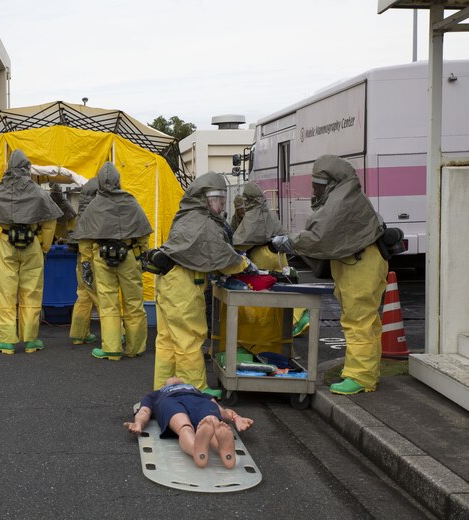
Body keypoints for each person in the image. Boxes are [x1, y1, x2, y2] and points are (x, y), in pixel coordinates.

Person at [271, 155, 388, 395]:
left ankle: (360, 377)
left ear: (331, 182)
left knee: (358, 322)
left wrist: (289, 242)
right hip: (360, 262)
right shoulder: (346, 195)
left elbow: (318, 238)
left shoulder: (341, 201)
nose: (315, 191)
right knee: (367, 322)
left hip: (360, 264)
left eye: (318, 186)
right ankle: (367, 373)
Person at [151, 172, 257, 392]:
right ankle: (195, 389)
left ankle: (164, 389)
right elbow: (222, 256)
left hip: (169, 280)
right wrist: (244, 264)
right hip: (183, 285)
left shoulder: (186, 215)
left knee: (168, 340)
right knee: (189, 339)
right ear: (206, 198)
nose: (220, 206)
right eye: (218, 200)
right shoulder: (204, 223)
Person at [0, 149, 63, 354]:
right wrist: (44, 246)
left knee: (6, 292)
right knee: (32, 293)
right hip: (32, 244)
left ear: (9, 167)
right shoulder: (37, 192)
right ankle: (31, 340)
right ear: (27, 169)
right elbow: (50, 222)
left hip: (7, 243)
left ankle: (6, 340)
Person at [73, 162, 151, 360]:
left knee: (108, 304)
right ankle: (135, 347)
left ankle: (111, 348)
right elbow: (143, 233)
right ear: (118, 180)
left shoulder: (94, 206)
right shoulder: (130, 202)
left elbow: (85, 239)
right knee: (134, 302)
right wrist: (142, 255)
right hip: (129, 257)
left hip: (102, 259)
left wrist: (86, 264)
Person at [125, 377, 253, 469]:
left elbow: (221, 410)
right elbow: (144, 411)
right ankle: (197, 449)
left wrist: (237, 418)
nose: (174, 377)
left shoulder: (200, 392)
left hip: (197, 401)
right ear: (164, 385)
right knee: (184, 426)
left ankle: (220, 449)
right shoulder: (156, 394)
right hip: (170, 401)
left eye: (177, 377)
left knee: (212, 421)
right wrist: (139, 423)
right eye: (171, 378)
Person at [231, 181, 291, 354]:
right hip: (279, 259)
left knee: (259, 303)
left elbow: (240, 242)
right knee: (277, 301)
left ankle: (257, 342)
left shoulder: (252, 217)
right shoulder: (269, 214)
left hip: (260, 259)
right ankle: (276, 342)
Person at [67, 178, 99, 346]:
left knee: (84, 294)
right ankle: (117, 334)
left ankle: (79, 334)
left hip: (81, 256)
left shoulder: (82, 211)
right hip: (97, 256)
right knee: (103, 295)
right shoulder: (101, 210)